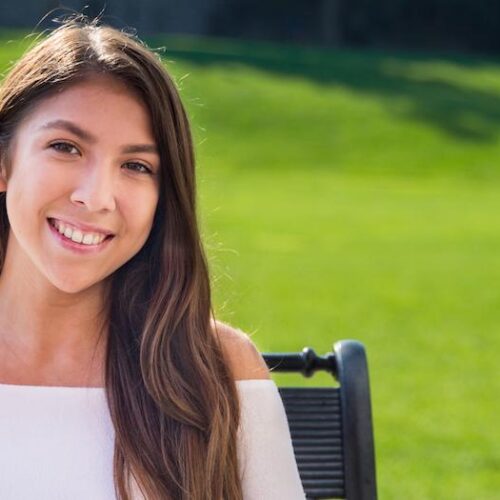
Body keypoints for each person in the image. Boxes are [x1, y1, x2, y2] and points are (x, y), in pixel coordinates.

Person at [0, 18, 305, 500]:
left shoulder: (214, 368)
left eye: (136, 166)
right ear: (5, 163)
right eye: (65, 147)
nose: (97, 196)